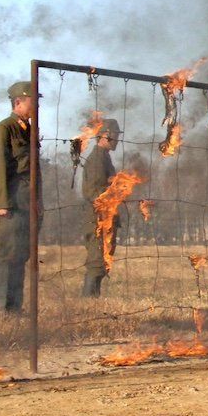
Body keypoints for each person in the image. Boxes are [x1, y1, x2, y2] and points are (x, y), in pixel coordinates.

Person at [0, 81, 41, 314]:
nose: (36, 106)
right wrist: (2, 203)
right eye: (33, 101)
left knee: (21, 254)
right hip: (10, 202)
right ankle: (1, 309)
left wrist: (38, 202)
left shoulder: (30, 131)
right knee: (7, 255)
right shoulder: (3, 129)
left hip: (27, 202)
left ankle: (15, 307)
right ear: (18, 101)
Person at [81, 118, 121, 297]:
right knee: (97, 260)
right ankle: (88, 303)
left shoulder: (104, 157)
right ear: (105, 135)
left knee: (103, 259)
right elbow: (93, 192)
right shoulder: (97, 158)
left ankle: (93, 300)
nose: (117, 139)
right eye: (115, 135)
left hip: (106, 216)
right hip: (99, 218)